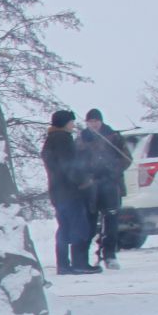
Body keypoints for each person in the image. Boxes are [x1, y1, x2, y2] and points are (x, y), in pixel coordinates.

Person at [42, 109, 97, 275]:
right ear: (65, 123)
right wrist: (83, 181)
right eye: (71, 122)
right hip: (70, 191)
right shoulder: (63, 139)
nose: (73, 125)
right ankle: (80, 263)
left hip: (57, 192)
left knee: (64, 228)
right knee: (79, 227)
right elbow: (69, 166)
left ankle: (63, 265)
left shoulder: (50, 140)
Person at [76, 108, 132, 270]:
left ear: (101, 121)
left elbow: (127, 158)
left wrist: (113, 169)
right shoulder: (81, 139)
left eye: (96, 121)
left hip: (110, 183)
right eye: (90, 121)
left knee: (111, 220)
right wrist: (84, 174)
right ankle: (83, 258)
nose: (93, 124)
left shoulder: (113, 136)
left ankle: (109, 254)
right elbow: (75, 161)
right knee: (90, 222)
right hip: (90, 186)